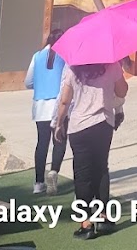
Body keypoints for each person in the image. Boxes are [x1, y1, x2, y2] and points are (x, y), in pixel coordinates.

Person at [55, 61, 128, 239]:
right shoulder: (112, 65)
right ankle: (103, 216)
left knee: (82, 174)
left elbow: (65, 100)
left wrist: (58, 123)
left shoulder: (73, 68)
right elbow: (122, 92)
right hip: (103, 122)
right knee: (101, 169)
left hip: (79, 126)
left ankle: (86, 223)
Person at [24, 29, 66, 195]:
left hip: (40, 105)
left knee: (42, 143)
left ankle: (38, 182)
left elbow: (28, 82)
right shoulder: (65, 56)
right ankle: (53, 171)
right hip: (59, 104)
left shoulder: (37, 56)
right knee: (59, 141)